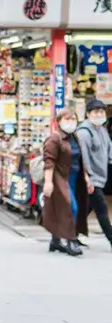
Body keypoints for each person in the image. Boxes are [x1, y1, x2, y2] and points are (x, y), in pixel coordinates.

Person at [42, 108, 92, 257]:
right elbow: (49, 162)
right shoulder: (54, 139)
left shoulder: (74, 137)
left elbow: (80, 159)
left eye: (73, 119)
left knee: (66, 207)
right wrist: (48, 182)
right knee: (71, 207)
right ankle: (71, 240)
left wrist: (86, 177)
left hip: (75, 177)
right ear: (58, 122)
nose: (70, 123)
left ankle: (55, 240)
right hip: (59, 177)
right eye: (67, 119)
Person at [77, 99, 112, 249]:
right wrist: (87, 178)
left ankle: (69, 234)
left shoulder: (102, 130)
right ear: (88, 114)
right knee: (102, 209)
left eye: (102, 112)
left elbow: (109, 150)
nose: (99, 115)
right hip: (91, 178)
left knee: (87, 208)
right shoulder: (84, 133)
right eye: (96, 112)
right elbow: (82, 157)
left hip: (100, 176)